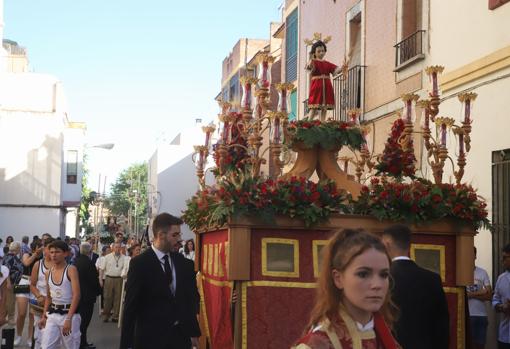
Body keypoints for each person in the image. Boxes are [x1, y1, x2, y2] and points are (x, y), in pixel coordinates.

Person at [294, 229, 399, 348]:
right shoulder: (319, 344)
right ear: (338, 279)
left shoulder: (386, 338)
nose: (377, 285)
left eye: (384, 275)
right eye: (363, 274)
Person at [120, 213, 201, 349]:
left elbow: (190, 299)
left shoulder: (184, 264)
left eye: (179, 235)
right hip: (150, 339)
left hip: (180, 339)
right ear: (161, 235)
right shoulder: (140, 264)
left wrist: (193, 332)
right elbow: (130, 307)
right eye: (175, 235)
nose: (180, 239)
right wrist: (126, 345)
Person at [381, 224, 449, 349]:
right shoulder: (432, 279)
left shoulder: (383, 278)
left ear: (387, 244)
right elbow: (441, 324)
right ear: (409, 246)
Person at [39, 240, 81, 349]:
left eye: (57, 252)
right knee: (46, 346)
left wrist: (69, 319)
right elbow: (48, 297)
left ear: (65, 253)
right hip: (53, 314)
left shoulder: (71, 270)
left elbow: (76, 295)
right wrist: (44, 316)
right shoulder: (48, 272)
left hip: (69, 314)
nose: (53, 255)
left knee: (70, 347)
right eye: (51, 252)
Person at [305, 40, 346, 121]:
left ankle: (322, 122)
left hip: (327, 86)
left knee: (324, 107)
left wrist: (343, 67)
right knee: (314, 107)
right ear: (314, 52)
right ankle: (309, 122)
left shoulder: (327, 63)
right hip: (317, 86)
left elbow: (336, 70)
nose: (321, 53)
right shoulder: (313, 62)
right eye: (319, 51)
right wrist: (310, 59)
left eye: (323, 51)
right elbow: (309, 68)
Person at [15, 240, 43, 346]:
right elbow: (26, 263)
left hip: (36, 285)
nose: (41, 248)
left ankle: (30, 338)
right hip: (23, 281)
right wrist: (36, 254)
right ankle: (18, 335)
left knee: (32, 314)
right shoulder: (27, 254)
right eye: (39, 246)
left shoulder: (43, 258)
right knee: (21, 313)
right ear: (34, 247)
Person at [75, 242, 101, 349]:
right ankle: (82, 343)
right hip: (87, 297)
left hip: (78, 295)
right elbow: (93, 280)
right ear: (90, 251)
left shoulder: (76, 262)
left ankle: (82, 342)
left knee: (80, 321)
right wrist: (99, 291)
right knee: (84, 322)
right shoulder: (89, 263)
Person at [30, 237, 55, 349]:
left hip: (54, 304)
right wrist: (39, 296)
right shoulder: (37, 265)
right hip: (39, 303)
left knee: (51, 334)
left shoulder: (59, 265)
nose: (48, 252)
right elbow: (32, 284)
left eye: (51, 249)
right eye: (46, 248)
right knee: (39, 333)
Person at [467, 247, 492, 349]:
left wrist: (471, 294)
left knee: (480, 345)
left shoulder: (482, 272)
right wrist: (481, 292)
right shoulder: (460, 272)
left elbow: (489, 295)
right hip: (467, 315)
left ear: (475, 256)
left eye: (472, 254)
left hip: (481, 316)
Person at [99, 242, 127, 322]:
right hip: (109, 279)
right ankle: (106, 315)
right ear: (112, 248)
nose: (117, 249)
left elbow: (126, 269)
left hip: (119, 279)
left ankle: (115, 316)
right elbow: (101, 269)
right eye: (116, 247)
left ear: (121, 248)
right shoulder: (107, 257)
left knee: (118, 298)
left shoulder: (124, 258)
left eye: (119, 247)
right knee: (107, 297)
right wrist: (100, 279)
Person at [2, 242, 24, 327]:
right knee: (9, 302)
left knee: (11, 301)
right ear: (17, 248)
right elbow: (5, 271)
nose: (20, 250)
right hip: (10, 283)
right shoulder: (9, 257)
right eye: (19, 248)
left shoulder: (13, 257)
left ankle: (5, 318)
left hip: (14, 283)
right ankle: (9, 318)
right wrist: (8, 282)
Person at [493, 243, 510, 349]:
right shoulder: (501, 278)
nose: (502, 260)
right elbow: (495, 300)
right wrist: (501, 307)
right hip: (505, 335)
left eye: (505, 257)